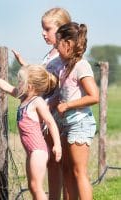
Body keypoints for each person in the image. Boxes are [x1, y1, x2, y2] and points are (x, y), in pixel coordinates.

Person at [0, 65, 62, 200]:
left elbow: (51, 122)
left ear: (30, 86)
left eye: (21, 81)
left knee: (36, 186)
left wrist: (57, 145)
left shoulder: (37, 102)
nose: (18, 84)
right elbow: (6, 87)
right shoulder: (24, 98)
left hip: (38, 150)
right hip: (31, 151)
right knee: (32, 187)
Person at [12, 7, 71, 199]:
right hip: (45, 115)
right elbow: (45, 80)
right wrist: (26, 67)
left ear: (61, 30)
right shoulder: (50, 55)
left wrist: (50, 105)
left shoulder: (63, 57)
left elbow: (64, 88)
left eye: (47, 29)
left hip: (55, 116)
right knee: (52, 163)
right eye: (42, 29)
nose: (43, 33)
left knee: (58, 164)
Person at [55, 22, 99, 200]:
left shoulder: (82, 66)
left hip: (80, 124)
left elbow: (94, 96)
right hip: (66, 124)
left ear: (68, 44)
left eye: (58, 43)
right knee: (66, 170)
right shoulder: (66, 67)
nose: (56, 48)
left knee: (79, 171)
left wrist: (67, 105)